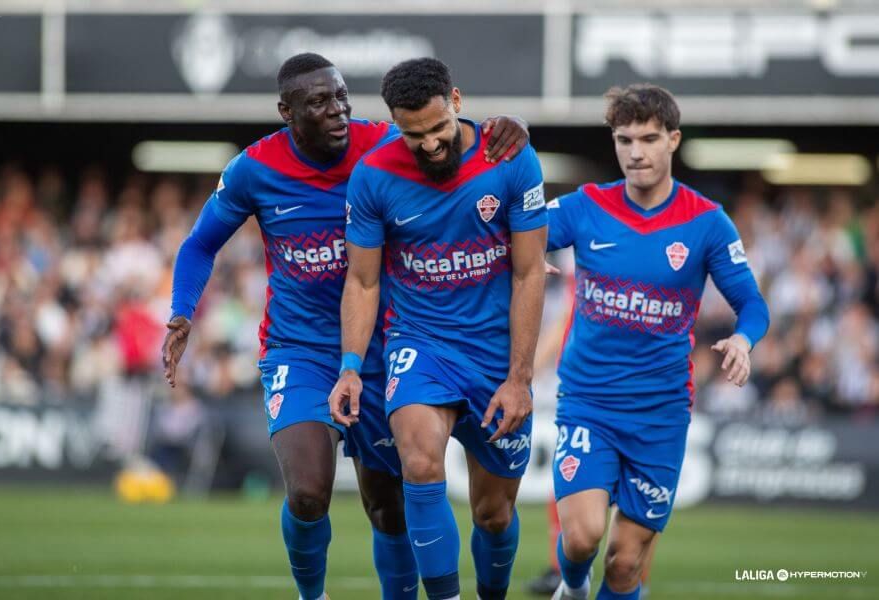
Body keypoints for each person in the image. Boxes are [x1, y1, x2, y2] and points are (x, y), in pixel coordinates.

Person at [161, 53, 529, 600]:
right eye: (318, 102)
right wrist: (181, 311)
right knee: (308, 492)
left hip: (383, 349)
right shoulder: (254, 169)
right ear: (286, 111)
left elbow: (454, 152)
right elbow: (199, 244)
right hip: (300, 350)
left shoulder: (384, 145)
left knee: (389, 507)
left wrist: (511, 130)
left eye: (340, 97)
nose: (336, 111)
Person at [329, 57, 548, 600]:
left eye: (438, 130)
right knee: (420, 460)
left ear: (456, 99)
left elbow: (528, 272)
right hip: (420, 344)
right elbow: (361, 281)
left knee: (493, 514)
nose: (428, 145)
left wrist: (520, 378)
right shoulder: (374, 176)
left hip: (496, 356)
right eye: (413, 135)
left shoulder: (511, 157)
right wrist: (351, 368)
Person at [546, 84, 770, 600]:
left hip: (660, 413)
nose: (635, 152)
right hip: (589, 403)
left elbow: (752, 303)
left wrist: (743, 339)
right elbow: (516, 230)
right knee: (580, 538)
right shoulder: (585, 207)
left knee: (625, 566)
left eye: (648, 139)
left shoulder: (707, 222)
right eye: (624, 140)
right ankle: (573, 587)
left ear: (673, 140)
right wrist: (527, 253)